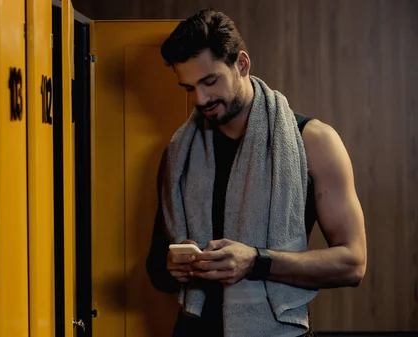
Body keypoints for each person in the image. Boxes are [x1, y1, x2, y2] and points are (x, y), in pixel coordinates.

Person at [146, 8, 367, 337]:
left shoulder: (315, 142)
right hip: (193, 329)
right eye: (189, 88)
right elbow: (155, 267)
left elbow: (353, 264)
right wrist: (172, 267)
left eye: (210, 81)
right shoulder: (180, 153)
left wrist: (256, 261)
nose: (201, 99)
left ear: (242, 65)